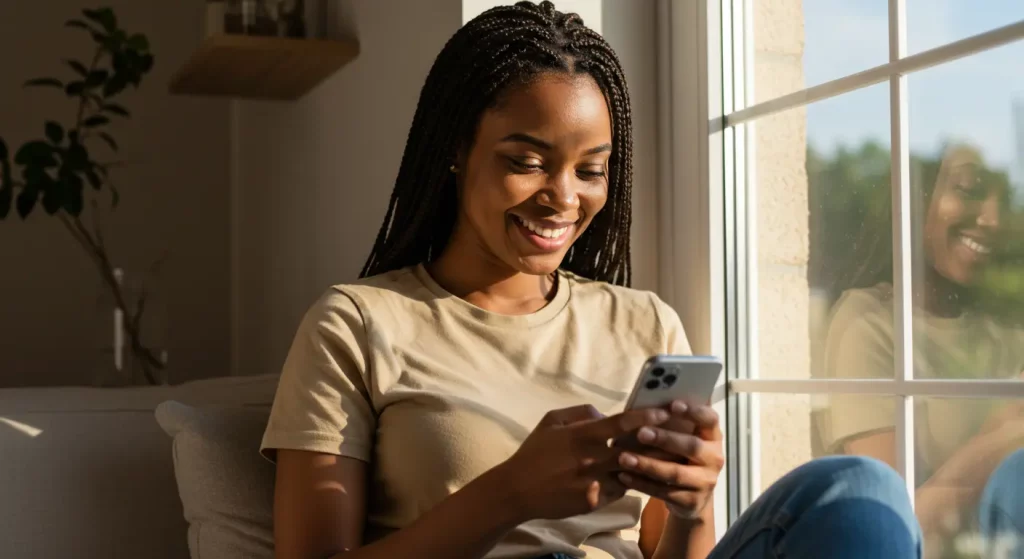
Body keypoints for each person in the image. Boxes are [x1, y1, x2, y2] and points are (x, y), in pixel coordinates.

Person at [260, 2, 921, 558]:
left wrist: (691, 504)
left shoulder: (644, 322)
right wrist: (510, 492)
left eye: (590, 169)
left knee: (863, 492)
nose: (563, 197)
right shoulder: (357, 322)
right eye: (527, 161)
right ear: (456, 149)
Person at [822, 144, 1024, 558]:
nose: (992, 218)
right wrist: (1008, 431)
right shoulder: (870, 326)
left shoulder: (1003, 330)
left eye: (1003, 199)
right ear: (916, 198)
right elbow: (893, 526)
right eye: (969, 188)